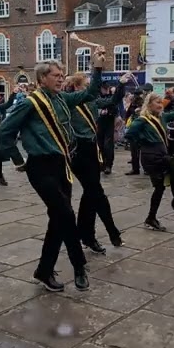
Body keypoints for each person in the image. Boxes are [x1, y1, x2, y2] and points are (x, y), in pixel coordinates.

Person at [0, 51, 108, 292]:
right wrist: (18, 160)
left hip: (62, 166)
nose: (61, 79)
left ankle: (44, 271)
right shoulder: (29, 103)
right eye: (56, 76)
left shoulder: (62, 99)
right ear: (42, 78)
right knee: (66, 214)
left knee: (57, 220)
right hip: (40, 167)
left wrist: (97, 68)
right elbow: (4, 131)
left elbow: (90, 93)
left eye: (62, 75)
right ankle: (79, 266)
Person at [66, 69, 127, 253]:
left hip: (93, 149)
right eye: (85, 85)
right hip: (79, 150)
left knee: (91, 194)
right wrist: (97, 68)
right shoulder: (69, 102)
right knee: (96, 193)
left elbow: (111, 101)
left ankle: (86, 235)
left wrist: (122, 85)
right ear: (77, 87)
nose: (90, 89)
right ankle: (111, 232)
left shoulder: (92, 101)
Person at [128, 90, 174, 231]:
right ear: (149, 104)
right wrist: (143, 142)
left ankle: (151, 217)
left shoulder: (163, 117)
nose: (160, 105)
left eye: (161, 102)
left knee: (160, 187)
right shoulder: (142, 120)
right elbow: (129, 134)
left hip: (161, 153)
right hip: (150, 156)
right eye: (157, 102)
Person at [96, 80, 123, 175]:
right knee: (100, 144)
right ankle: (101, 163)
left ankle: (108, 165)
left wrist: (116, 115)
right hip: (99, 123)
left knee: (108, 145)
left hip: (109, 122)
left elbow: (115, 107)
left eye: (107, 88)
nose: (106, 90)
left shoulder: (111, 97)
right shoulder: (97, 97)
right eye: (105, 88)